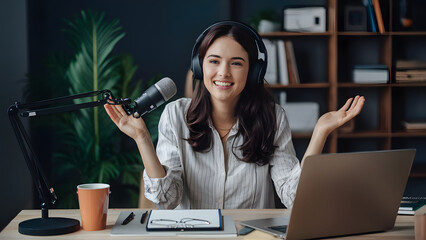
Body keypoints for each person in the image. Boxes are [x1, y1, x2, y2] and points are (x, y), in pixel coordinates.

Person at [104, 21, 365, 210]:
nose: (224, 73)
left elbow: (294, 198)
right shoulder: (175, 115)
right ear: (199, 66)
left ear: (253, 72)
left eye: (236, 63)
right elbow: (167, 199)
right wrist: (141, 138)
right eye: (214, 61)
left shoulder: (272, 117)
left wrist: (319, 133)